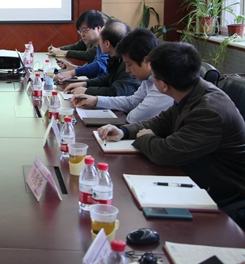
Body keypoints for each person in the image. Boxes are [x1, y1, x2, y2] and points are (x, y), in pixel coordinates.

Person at [98, 42, 245, 229]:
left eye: (153, 76)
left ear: (164, 85)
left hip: (224, 200)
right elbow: (160, 122)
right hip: (196, 180)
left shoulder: (209, 111)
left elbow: (166, 153)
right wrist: (124, 131)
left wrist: (145, 137)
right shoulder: (192, 91)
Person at [71, 28, 173, 123]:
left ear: (146, 61)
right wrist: (96, 100)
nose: (127, 70)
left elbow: (134, 118)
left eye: (129, 64)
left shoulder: (163, 83)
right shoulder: (148, 77)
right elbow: (132, 102)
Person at [63, 20, 140, 97]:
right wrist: (85, 84)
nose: (98, 42)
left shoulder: (128, 63)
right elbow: (107, 79)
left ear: (107, 43)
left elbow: (116, 92)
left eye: (100, 38)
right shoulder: (116, 58)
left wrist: (87, 91)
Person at [54, 10, 109, 81]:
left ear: (98, 28)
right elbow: (95, 72)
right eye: (80, 31)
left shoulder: (106, 46)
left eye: (85, 30)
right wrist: (72, 67)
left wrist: (73, 73)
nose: (82, 34)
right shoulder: (99, 46)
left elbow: (99, 66)